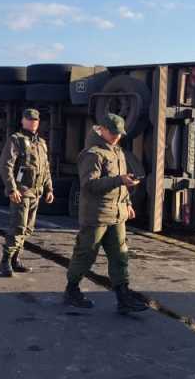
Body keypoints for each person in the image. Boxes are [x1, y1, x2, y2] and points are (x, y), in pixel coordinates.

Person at [63, 113, 149, 314]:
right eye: (114, 133)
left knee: (120, 255)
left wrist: (127, 202)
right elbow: (89, 185)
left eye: (120, 134)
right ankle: (72, 290)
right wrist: (119, 180)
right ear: (102, 130)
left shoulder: (117, 151)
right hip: (97, 215)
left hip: (117, 214)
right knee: (85, 254)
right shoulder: (92, 154)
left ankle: (123, 295)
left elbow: (121, 182)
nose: (117, 137)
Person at [0, 108, 54, 277]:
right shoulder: (16, 140)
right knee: (18, 227)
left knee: (28, 228)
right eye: (29, 119)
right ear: (22, 121)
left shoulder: (41, 143)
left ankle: (15, 259)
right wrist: (11, 188)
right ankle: (5, 261)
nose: (32, 122)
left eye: (35, 120)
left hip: (36, 192)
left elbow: (45, 168)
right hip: (21, 192)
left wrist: (49, 188)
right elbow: (5, 165)